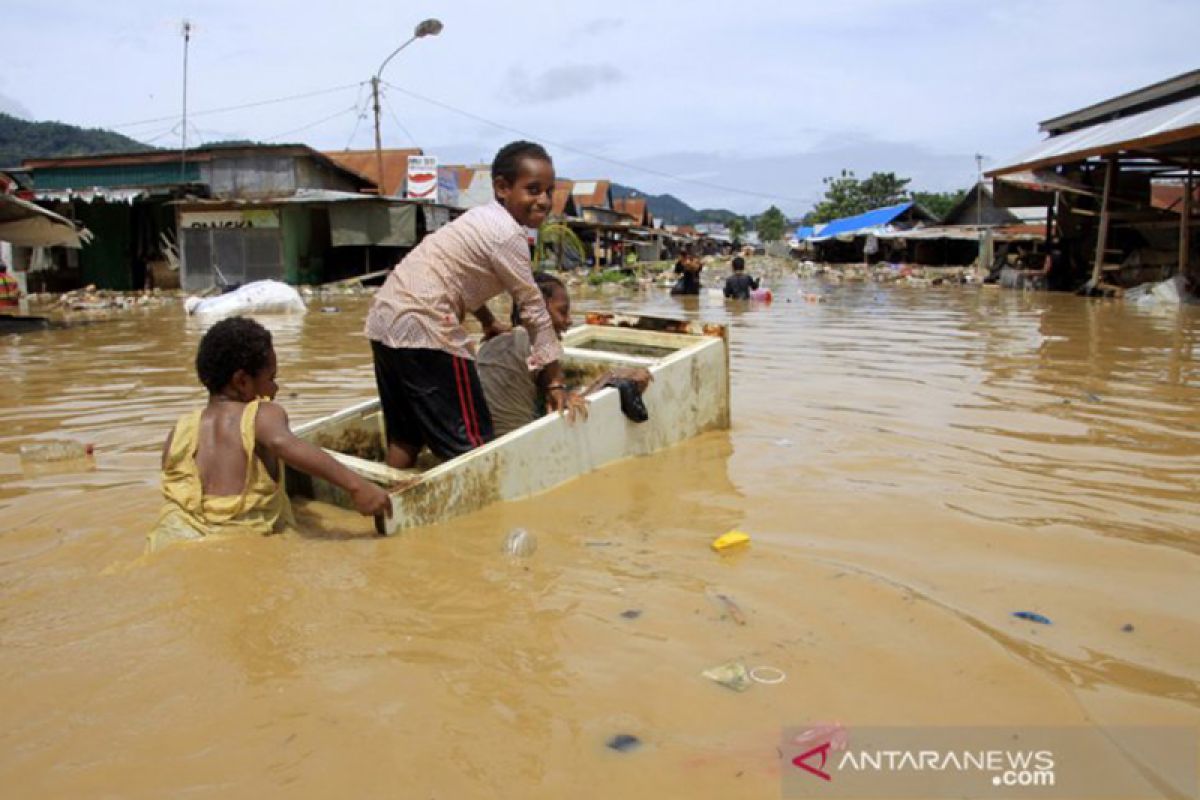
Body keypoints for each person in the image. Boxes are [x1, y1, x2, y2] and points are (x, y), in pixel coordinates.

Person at [364, 141, 569, 469]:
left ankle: (389, 513)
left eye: (549, 191)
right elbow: (533, 308)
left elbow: (457, 279)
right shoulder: (507, 235)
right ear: (502, 187)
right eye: (532, 190)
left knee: (405, 436)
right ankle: (489, 517)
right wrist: (555, 382)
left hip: (384, 321)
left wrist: (487, 321)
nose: (543, 201)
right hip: (427, 327)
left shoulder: (477, 219)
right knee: (473, 446)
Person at [149, 317, 391, 552]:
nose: (275, 388)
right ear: (242, 382)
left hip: (173, 535)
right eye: (271, 378)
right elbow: (282, 442)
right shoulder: (261, 414)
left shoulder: (179, 431)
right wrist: (358, 487)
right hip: (240, 541)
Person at [477, 273, 651, 437]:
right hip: (520, 445)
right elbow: (567, 410)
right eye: (562, 311)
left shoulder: (491, 343)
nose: (569, 321)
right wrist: (612, 378)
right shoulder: (536, 343)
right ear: (538, 314)